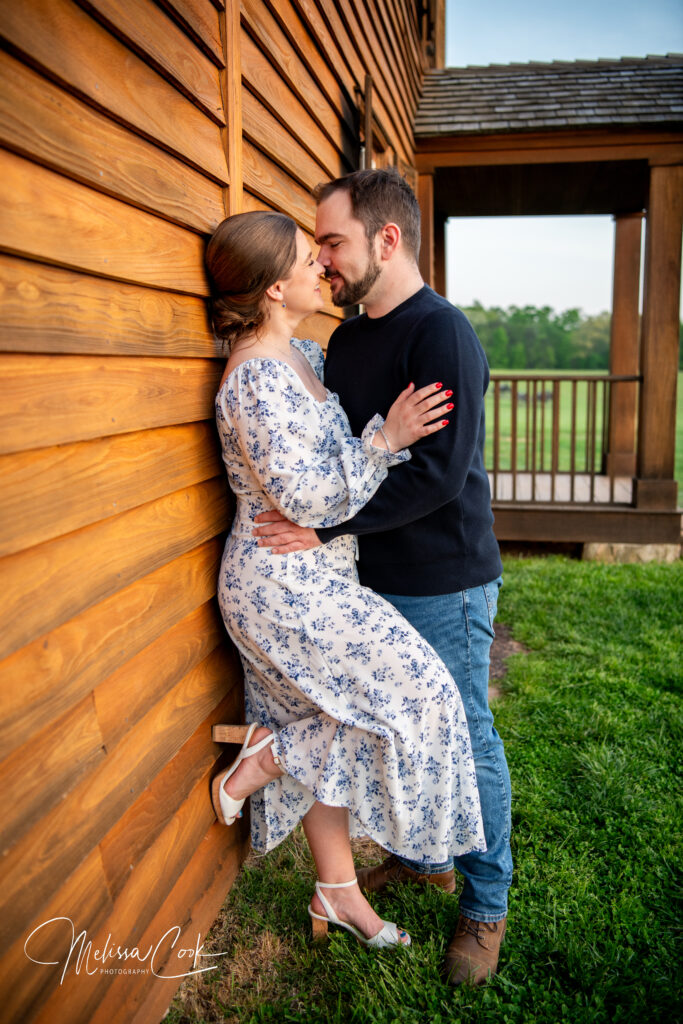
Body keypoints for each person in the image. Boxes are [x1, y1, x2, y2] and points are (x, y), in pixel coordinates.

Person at [252, 168, 511, 986]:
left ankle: (484, 903)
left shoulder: (442, 334)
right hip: (361, 575)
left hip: (443, 577)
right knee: (395, 724)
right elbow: (342, 456)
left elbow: (435, 475)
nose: (322, 260)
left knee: (463, 732)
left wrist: (321, 526)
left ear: (385, 240)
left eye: (332, 241)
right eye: (317, 247)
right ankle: (421, 856)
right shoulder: (347, 341)